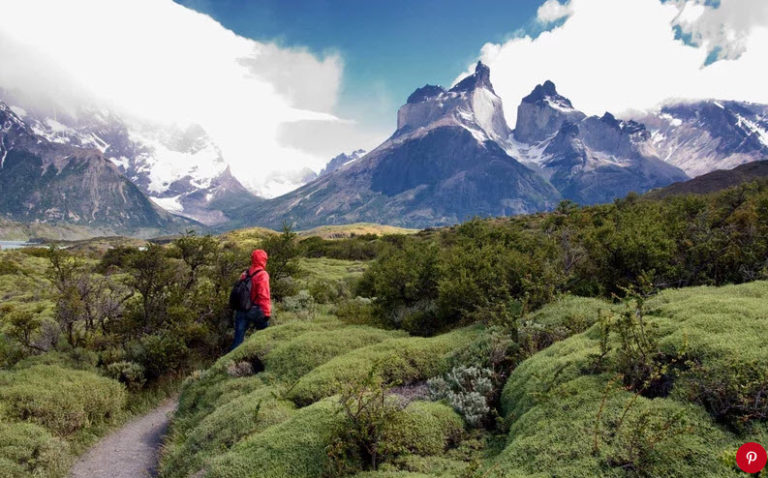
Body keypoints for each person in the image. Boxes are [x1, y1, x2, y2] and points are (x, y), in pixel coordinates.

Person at [230, 249, 271, 351]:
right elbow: (264, 295)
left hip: (241, 308)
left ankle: (230, 358)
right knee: (265, 335)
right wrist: (266, 313)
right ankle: (262, 354)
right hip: (255, 310)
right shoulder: (262, 275)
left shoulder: (246, 273)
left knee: (238, 340)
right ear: (263, 260)